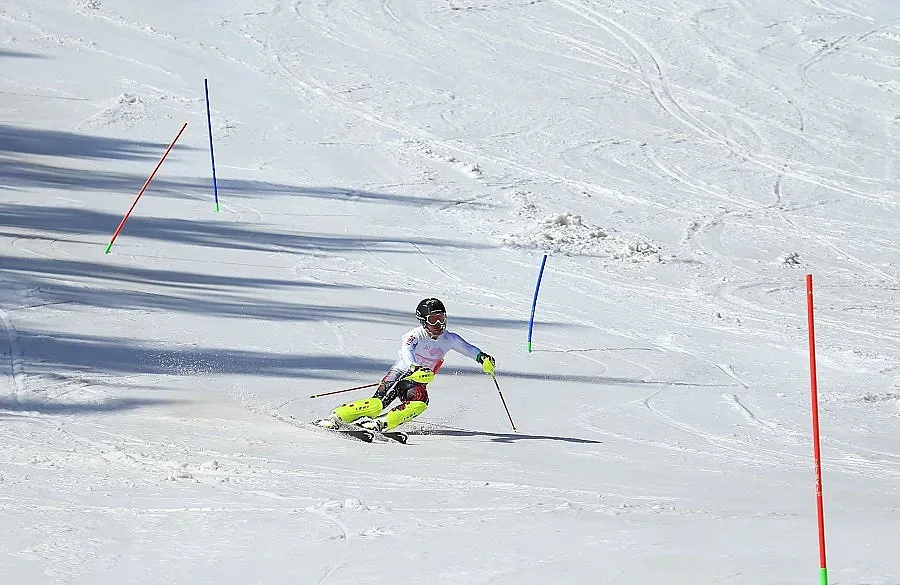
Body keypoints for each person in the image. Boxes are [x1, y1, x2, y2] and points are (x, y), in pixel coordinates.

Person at [317, 298, 495, 432]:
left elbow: (468, 349)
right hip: (402, 373)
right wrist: (414, 367)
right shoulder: (415, 335)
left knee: (420, 403)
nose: (438, 324)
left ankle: (381, 422)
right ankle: (337, 416)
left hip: (418, 380)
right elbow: (406, 351)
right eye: (433, 319)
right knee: (377, 403)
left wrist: (483, 358)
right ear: (423, 320)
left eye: (441, 318)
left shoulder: (449, 339)